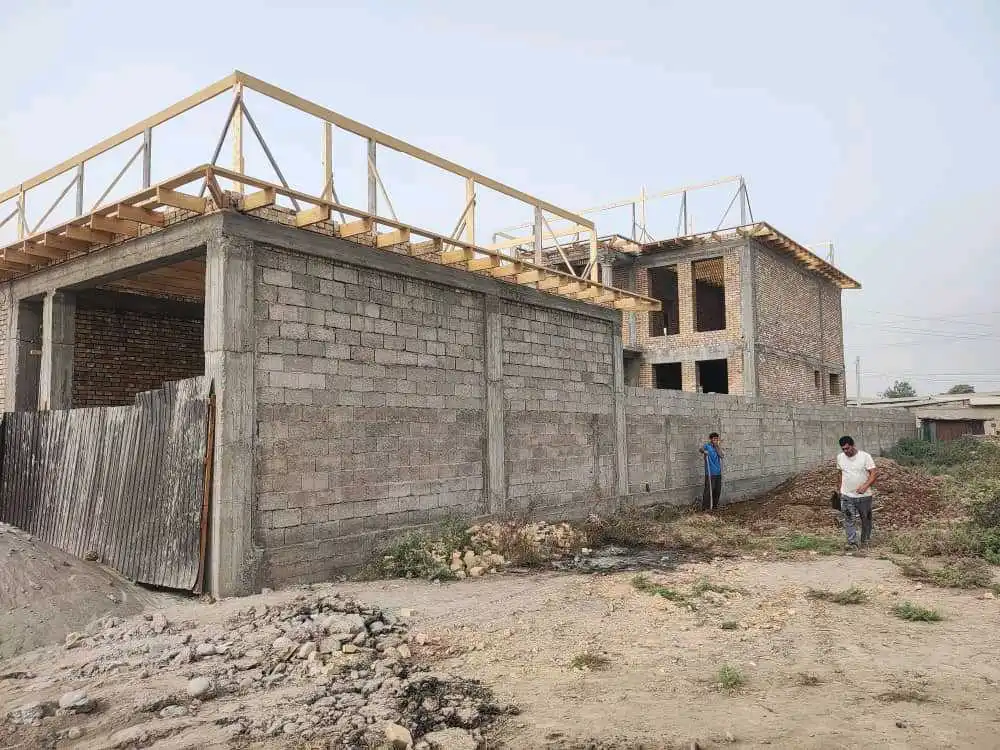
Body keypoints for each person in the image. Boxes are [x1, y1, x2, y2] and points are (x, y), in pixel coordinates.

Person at [836, 435, 876, 548]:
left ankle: (865, 540)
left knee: (866, 519)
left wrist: (865, 486)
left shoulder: (865, 457)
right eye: (843, 449)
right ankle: (852, 542)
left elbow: (874, 473)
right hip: (847, 495)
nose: (845, 451)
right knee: (849, 519)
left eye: (847, 448)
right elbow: (840, 473)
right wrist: (839, 489)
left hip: (864, 496)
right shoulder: (840, 457)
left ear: (853, 445)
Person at [699, 432, 724, 511]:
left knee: (717, 490)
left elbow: (721, 455)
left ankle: (714, 506)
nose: (715, 440)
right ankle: (705, 507)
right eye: (714, 439)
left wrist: (717, 447)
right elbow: (701, 449)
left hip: (718, 472)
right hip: (710, 473)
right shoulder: (707, 446)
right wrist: (704, 451)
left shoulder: (718, 447)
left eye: (716, 439)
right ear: (711, 439)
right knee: (708, 490)